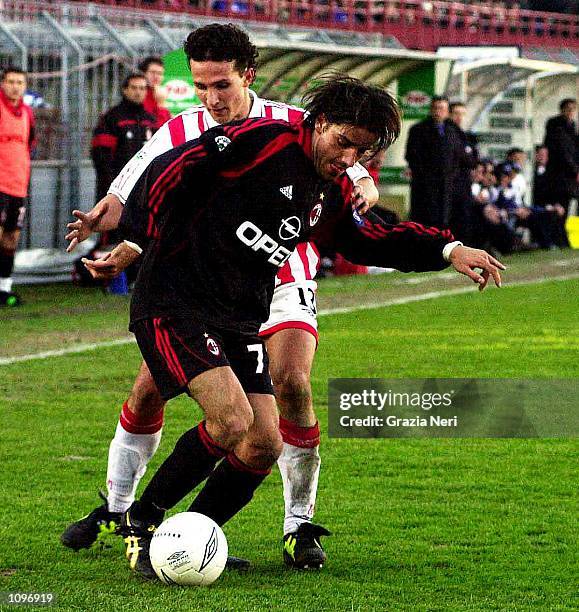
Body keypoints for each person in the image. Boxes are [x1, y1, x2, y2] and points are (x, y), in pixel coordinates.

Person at [80, 76, 503, 581]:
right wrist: (137, 239)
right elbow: (172, 173)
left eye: (361, 151)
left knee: (264, 442)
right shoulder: (263, 142)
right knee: (228, 419)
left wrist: (448, 249)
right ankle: (140, 521)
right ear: (319, 123)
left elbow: (369, 239)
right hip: (177, 299)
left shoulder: (329, 185)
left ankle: (195, 536)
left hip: (238, 316)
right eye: (344, 142)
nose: (350, 157)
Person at [62, 24, 378, 571]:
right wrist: (108, 219)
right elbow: (137, 178)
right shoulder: (185, 126)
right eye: (201, 85)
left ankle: (297, 524)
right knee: (149, 391)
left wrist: (363, 180)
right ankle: (122, 513)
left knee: (292, 386)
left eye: (222, 86)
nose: (211, 99)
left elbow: (346, 159)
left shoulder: (290, 123)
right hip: (207, 279)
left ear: (247, 77)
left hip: (280, 269)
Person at [91, 73, 156, 208]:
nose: (138, 92)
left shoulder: (151, 121)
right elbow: (101, 156)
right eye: (134, 88)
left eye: (142, 88)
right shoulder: (112, 118)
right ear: (125, 90)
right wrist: (112, 188)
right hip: (115, 191)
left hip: (144, 190)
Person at [0, 66, 35, 307]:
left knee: (11, 238)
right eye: (11, 81)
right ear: (3, 83)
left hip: (18, 185)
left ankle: (4, 288)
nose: (15, 86)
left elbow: (30, 143)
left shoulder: (27, 113)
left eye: (19, 82)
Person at [405, 96, 463, 229]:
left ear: (448, 111)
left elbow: (456, 157)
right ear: (431, 110)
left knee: (443, 221)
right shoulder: (418, 130)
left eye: (442, 108)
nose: (438, 112)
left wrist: (450, 176)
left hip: (446, 185)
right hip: (424, 185)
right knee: (422, 222)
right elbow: (411, 156)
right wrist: (425, 176)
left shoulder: (453, 131)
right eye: (435, 108)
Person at [449, 101, 479, 242]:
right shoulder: (449, 134)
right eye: (456, 113)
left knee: (465, 217)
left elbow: (473, 160)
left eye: (462, 114)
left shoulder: (465, 136)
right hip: (451, 185)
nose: (459, 117)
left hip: (464, 184)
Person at [543, 98, 578, 217]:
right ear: (562, 110)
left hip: (568, 177)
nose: (571, 112)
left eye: (573, 109)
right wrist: (575, 169)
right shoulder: (556, 125)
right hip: (558, 174)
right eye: (568, 109)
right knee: (557, 206)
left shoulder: (572, 126)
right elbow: (563, 151)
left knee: (565, 206)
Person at [137, 56, 171, 129]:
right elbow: (160, 128)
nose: (156, 76)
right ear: (143, 74)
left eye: (160, 73)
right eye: (152, 72)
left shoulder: (160, 93)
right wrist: (161, 104)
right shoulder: (138, 95)